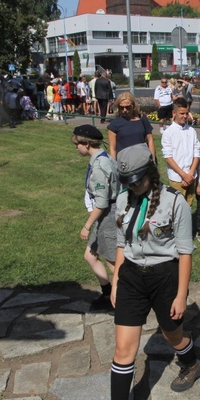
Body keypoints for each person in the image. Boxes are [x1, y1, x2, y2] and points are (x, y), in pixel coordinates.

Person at [108, 144, 200, 400]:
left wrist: (181, 295)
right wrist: (116, 280)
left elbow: (185, 253)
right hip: (131, 277)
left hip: (164, 277)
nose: (133, 186)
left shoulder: (175, 202)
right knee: (123, 349)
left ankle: (192, 363)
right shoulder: (123, 199)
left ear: (151, 172)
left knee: (172, 334)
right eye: (128, 182)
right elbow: (120, 243)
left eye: (137, 180)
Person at [72, 125, 120, 311]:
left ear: (86, 143)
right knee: (90, 255)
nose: (76, 148)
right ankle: (108, 293)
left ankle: (124, 300)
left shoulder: (101, 165)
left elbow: (102, 203)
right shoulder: (102, 158)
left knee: (113, 263)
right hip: (104, 216)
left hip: (107, 216)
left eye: (77, 144)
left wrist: (87, 226)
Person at [161, 98, 200, 205]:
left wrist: (190, 173)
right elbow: (168, 157)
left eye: (187, 113)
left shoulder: (191, 131)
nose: (185, 116)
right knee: (176, 207)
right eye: (181, 113)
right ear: (174, 113)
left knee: (189, 204)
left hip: (191, 176)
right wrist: (183, 175)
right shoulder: (168, 132)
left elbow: (197, 153)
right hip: (177, 178)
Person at [107, 92, 156, 161]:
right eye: (121, 107)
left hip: (143, 161)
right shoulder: (114, 124)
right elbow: (112, 149)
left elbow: (150, 140)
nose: (125, 110)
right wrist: (114, 167)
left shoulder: (142, 119)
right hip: (125, 164)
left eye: (128, 107)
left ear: (133, 106)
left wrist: (153, 160)